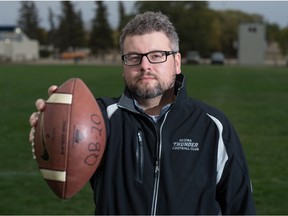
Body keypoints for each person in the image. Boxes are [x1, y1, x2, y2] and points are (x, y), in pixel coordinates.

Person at [29, 11, 256, 215]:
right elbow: (68, 137)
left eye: (157, 55)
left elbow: (240, 207)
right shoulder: (100, 119)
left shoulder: (213, 126)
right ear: (124, 65)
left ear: (177, 62)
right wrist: (47, 131)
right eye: (134, 57)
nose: (145, 65)